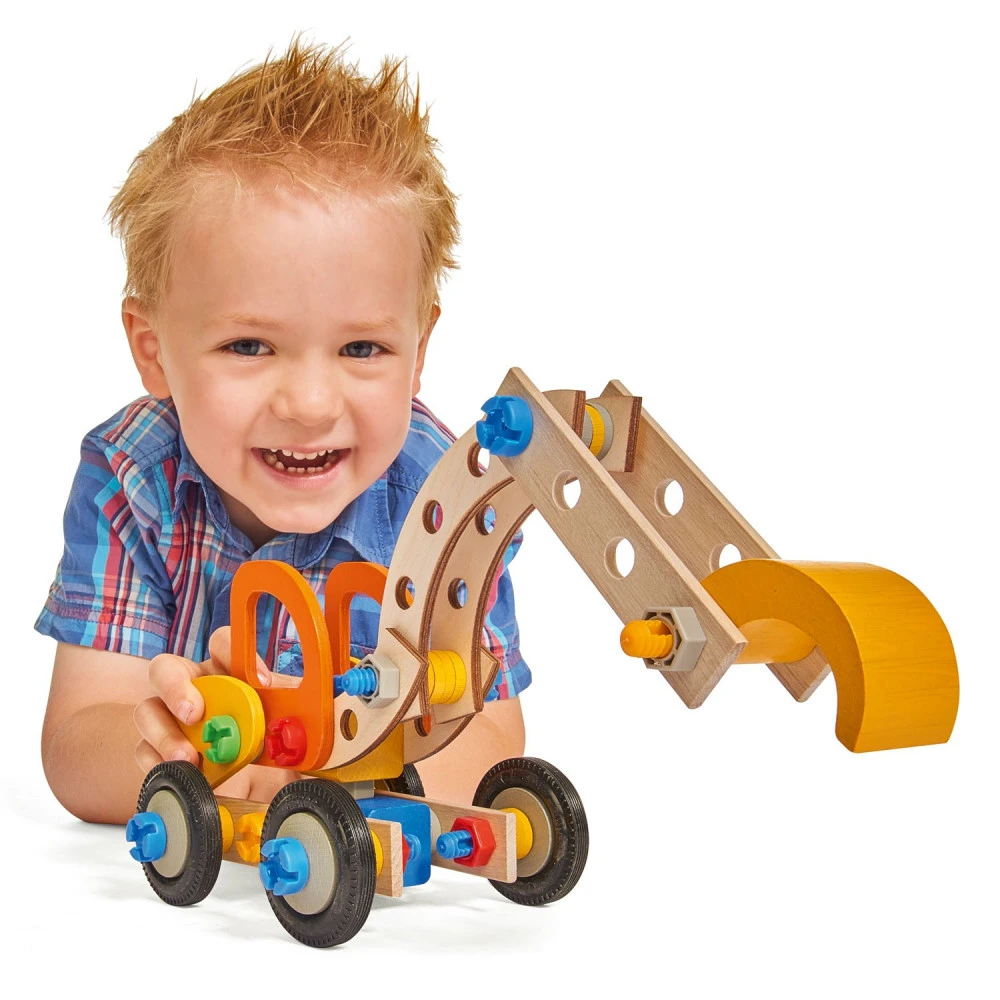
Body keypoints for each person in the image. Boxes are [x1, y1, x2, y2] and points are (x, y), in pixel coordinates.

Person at [36, 38, 530, 825]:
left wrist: (345, 773)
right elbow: (74, 742)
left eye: (361, 349)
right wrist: (174, 751)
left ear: (419, 353)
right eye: (249, 346)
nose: (309, 403)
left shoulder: (451, 501)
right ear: (153, 350)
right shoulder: (131, 479)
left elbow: (494, 744)